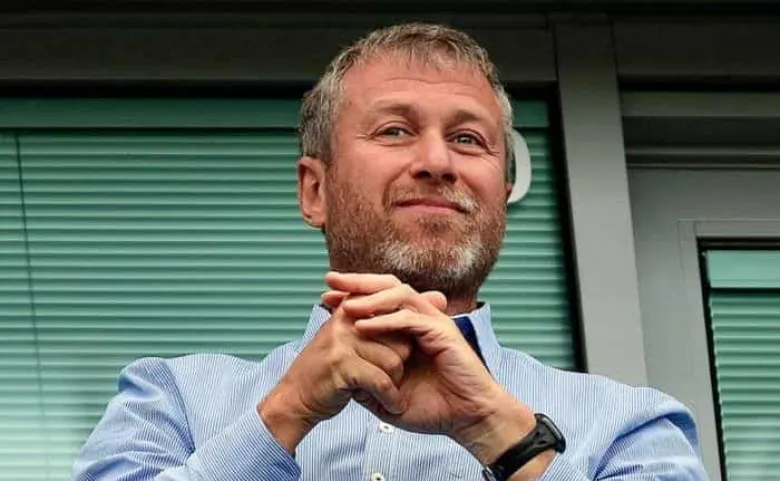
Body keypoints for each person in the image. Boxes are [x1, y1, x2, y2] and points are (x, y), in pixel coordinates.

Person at [73, 23, 709, 481]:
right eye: (395, 130)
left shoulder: (630, 427)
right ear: (315, 191)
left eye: (469, 139)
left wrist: (500, 434)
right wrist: (286, 413)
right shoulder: (171, 402)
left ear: (500, 189)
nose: (437, 162)